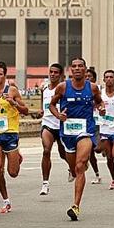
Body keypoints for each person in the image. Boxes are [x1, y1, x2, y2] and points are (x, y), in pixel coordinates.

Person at [49, 57, 105, 220]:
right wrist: (58, 115)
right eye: (74, 66)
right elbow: (52, 105)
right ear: (70, 70)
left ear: (85, 69)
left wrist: (101, 109)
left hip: (85, 131)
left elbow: (100, 103)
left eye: (80, 66)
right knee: (74, 168)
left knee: (80, 166)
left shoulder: (92, 88)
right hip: (67, 134)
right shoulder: (62, 87)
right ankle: (77, 166)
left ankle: (76, 206)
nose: (77, 68)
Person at [0, 62, 28, 214]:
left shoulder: (11, 90)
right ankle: (6, 200)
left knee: (13, 173)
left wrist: (13, 102)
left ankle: (17, 156)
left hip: (11, 133)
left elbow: (25, 110)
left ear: (5, 76)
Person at [38, 63, 67, 195]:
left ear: (60, 75)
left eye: (56, 72)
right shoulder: (45, 89)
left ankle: (72, 168)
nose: (53, 74)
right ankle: (45, 183)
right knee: (46, 150)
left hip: (61, 125)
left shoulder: (64, 89)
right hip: (48, 124)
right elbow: (43, 107)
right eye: (51, 72)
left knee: (63, 154)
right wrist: (40, 111)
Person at [85, 68, 102, 184]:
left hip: (101, 124)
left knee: (100, 149)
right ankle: (97, 174)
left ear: (94, 79)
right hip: (88, 123)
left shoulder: (98, 90)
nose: (87, 78)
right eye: (85, 76)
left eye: (89, 76)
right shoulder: (81, 90)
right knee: (90, 151)